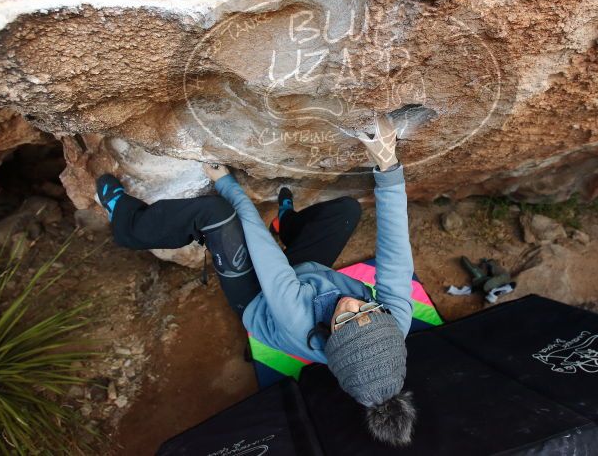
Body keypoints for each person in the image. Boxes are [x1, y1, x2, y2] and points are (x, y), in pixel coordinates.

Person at [95, 116, 417, 446]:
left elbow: (265, 255)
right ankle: (288, 224)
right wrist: (388, 164)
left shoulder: (298, 321)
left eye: (346, 320)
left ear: (330, 338)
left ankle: (126, 221)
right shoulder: (395, 320)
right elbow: (395, 248)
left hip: (259, 298)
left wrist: (226, 183)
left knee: (216, 213)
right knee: (345, 211)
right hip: (308, 276)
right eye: (368, 311)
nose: (352, 304)